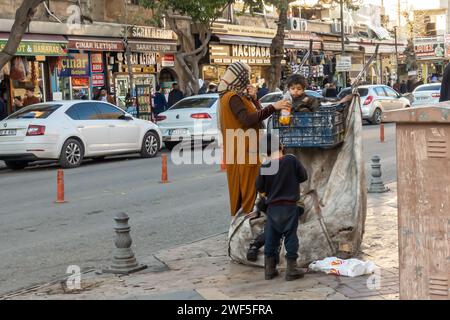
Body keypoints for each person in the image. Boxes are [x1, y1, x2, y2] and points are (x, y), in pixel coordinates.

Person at [218, 61, 289, 216]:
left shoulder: (239, 97)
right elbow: (247, 119)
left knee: (250, 187)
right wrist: (273, 107)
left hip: (246, 148)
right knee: (249, 189)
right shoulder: (232, 97)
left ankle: (250, 221)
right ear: (239, 77)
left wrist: (255, 99)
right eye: (246, 76)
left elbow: (257, 117)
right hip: (243, 149)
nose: (248, 80)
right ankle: (248, 223)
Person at [256, 132, 308, 281]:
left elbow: (260, 187)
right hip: (290, 207)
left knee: (271, 238)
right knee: (291, 237)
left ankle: (269, 270)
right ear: (281, 146)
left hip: (273, 209)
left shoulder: (265, 166)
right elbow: (304, 176)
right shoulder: (291, 160)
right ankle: (291, 270)